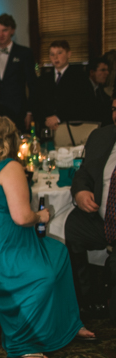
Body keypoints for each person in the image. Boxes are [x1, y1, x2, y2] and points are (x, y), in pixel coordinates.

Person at [0, 116, 96, 358]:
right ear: (13, 138)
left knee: (59, 254)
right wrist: (43, 215)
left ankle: (69, 324)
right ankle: (22, 343)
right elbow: (22, 217)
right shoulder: (10, 167)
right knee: (42, 277)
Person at [65, 101, 116, 320]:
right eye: (114, 109)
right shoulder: (102, 136)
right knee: (72, 226)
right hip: (101, 220)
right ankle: (86, 300)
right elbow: (84, 172)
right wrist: (81, 192)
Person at [0, 14, 36, 131]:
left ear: (12, 31)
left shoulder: (24, 53)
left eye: (5, 30)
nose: (1, 35)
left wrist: (29, 112)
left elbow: (33, 84)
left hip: (18, 111)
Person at [33, 40, 90, 131]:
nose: (55, 57)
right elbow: (37, 103)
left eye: (59, 53)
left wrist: (58, 117)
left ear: (68, 54)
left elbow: (83, 104)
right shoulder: (44, 79)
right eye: (52, 54)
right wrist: (46, 120)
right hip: (47, 128)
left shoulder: (79, 77)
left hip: (72, 127)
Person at [84, 57, 112, 126]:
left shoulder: (99, 87)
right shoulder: (83, 88)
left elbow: (107, 103)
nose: (107, 73)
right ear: (92, 72)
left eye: (107, 70)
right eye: (103, 70)